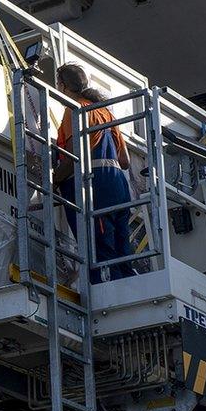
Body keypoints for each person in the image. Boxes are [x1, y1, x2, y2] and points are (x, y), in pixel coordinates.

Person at [53, 63, 137, 283]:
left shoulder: (75, 110)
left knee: (100, 247)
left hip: (96, 186)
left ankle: (109, 295)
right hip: (118, 185)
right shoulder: (105, 111)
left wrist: (52, 181)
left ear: (61, 85)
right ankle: (128, 288)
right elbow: (125, 161)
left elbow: (73, 158)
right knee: (122, 247)